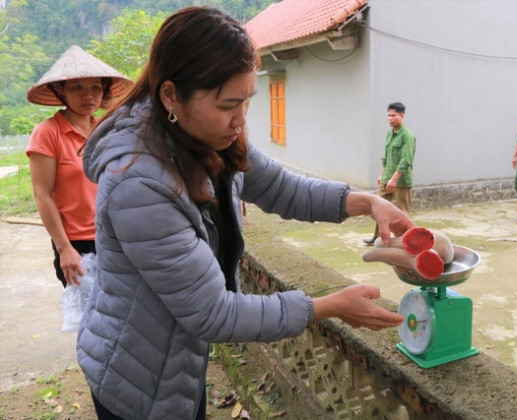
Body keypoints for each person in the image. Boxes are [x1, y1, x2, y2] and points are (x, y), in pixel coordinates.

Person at [76, 7, 413, 419]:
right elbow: (213, 313)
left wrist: (367, 202)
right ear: (170, 96)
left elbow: (284, 189)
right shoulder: (138, 184)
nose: (240, 119)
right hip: (134, 373)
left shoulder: (210, 135)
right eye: (227, 104)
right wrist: (327, 306)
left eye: (248, 100)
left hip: (176, 361)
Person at [26, 45, 132, 287]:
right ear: (60, 91)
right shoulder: (48, 133)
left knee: (119, 315)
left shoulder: (105, 128)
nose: (88, 95)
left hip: (114, 235)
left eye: (95, 87)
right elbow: (42, 195)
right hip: (76, 242)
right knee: (87, 317)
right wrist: (64, 249)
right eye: (77, 87)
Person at [363, 102, 416, 245]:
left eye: (393, 115)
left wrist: (394, 179)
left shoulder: (407, 136)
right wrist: (382, 175)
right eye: (388, 115)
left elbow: (406, 160)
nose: (390, 118)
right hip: (387, 178)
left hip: (401, 181)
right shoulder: (389, 134)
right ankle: (378, 237)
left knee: (403, 212)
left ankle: (409, 241)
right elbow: (386, 158)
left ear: (402, 116)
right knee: (378, 208)